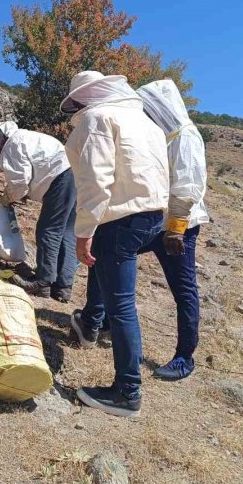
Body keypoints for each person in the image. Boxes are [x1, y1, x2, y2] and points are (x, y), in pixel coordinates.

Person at [61, 71, 171, 417]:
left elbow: (96, 179)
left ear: (87, 96)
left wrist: (84, 231)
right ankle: (90, 327)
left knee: (122, 306)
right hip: (152, 216)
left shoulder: (97, 118)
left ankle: (127, 391)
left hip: (120, 218)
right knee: (117, 292)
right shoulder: (145, 122)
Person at [136, 79, 209, 381]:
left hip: (179, 228)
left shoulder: (186, 137)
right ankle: (100, 320)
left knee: (184, 291)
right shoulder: (168, 137)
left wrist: (176, 230)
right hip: (157, 221)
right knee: (110, 252)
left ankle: (184, 358)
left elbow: (187, 187)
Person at [0, 121, 78, 302]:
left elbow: (19, 182)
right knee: (67, 233)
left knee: (48, 230)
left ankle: (43, 282)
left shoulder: (12, 144)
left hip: (60, 178)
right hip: (76, 175)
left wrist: (7, 198)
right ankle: (63, 288)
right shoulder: (28, 137)